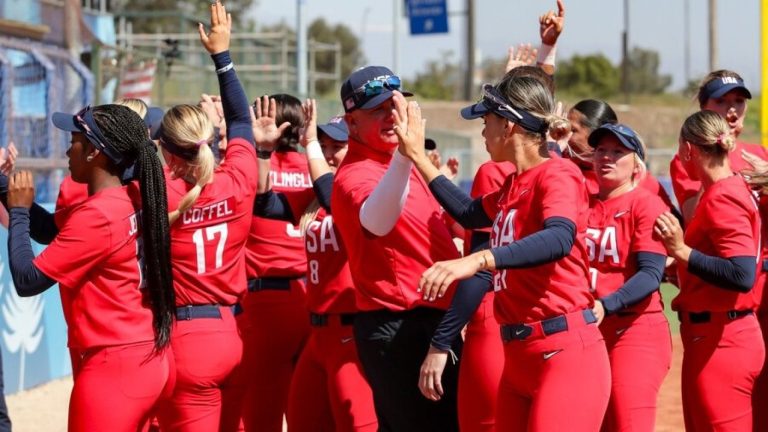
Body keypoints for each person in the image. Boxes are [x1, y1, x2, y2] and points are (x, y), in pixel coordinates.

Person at [395, 75, 610, 431]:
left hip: (563, 352)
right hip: (518, 354)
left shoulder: (557, 174)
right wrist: (417, 156)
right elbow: (467, 213)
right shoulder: (514, 183)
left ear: (508, 124)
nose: (483, 131)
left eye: (486, 121)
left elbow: (559, 238)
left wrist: (479, 258)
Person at [6, 101, 174, 431]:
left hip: (115, 368)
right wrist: (4, 185)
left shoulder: (98, 215)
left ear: (94, 152)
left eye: (73, 142)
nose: (68, 151)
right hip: (146, 356)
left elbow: (28, 280)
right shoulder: (129, 195)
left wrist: (19, 212)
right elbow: (50, 229)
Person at [331, 65, 463, 432]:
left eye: (397, 105)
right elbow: (377, 220)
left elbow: (464, 220)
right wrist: (407, 156)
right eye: (377, 110)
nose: (392, 116)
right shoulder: (356, 172)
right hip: (399, 325)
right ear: (351, 123)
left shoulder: (407, 163)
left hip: (435, 321)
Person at [154, 3, 255, 430]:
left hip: (188, 340)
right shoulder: (237, 180)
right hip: (233, 335)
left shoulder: (157, 193)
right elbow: (242, 122)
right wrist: (223, 57)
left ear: (165, 150)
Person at [254, 102, 377, 432]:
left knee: (357, 425)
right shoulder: (313, 197)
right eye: (321, 145)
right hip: (317, 333)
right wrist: (264, 154)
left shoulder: (361, 195)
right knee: (303, 422)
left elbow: (337, 201)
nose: (327, 153)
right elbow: (263, 202)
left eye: (336, 147)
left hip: (351, 331)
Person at [655, 110, 764, 431]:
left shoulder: (723, 196)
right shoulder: (726, 189)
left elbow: (741, 274)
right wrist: (683, 269)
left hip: (723, 341)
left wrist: (682, 251)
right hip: (718, 335)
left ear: (689, 150)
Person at [585, 123, 672, 431]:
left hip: (634, 331)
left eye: (618, 151)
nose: (606, 157)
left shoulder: (646, 205)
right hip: (591, 334)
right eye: (601, 150)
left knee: (628, 423)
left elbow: (650, 275)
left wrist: (608, 304)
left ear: (637, 164)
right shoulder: (582, 204)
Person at [238, 92, 311, 432]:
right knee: (307, 410)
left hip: (266, 301)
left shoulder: (251, 168)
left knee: (261, 411)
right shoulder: (319, 167)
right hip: (312, 297)